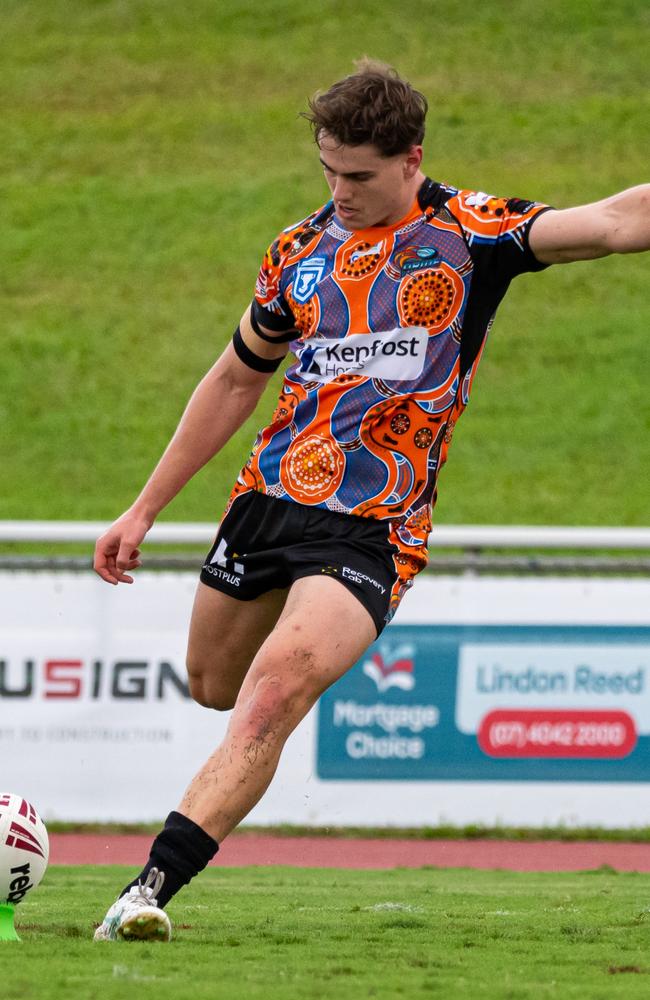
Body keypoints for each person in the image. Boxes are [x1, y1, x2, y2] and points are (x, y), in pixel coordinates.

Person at [92, 59, 650, 941]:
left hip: (376, 528)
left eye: (358, 175)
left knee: (272, 696)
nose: (340, 191)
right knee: (214, 685)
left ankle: (147, 890)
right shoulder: (298, 252)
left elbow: (619, 221)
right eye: (328, 171)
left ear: (411, 161)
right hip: (269, 501)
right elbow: (238, 379)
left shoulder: (475, 232)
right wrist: (143, 509)